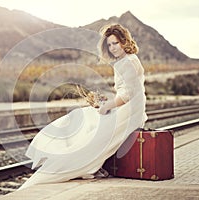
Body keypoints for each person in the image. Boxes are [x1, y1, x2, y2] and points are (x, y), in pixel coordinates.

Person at [18, 24, 147, 190]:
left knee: (87, 125)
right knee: (85, 119)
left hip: (129, 111)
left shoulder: (127, 62)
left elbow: (127, 94)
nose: (112, 48)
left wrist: (107, 106)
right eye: (109, 45)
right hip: (133, 108)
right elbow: (128, 92)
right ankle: (83, 161)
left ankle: (75, 162)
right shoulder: (128, 60)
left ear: (124, 41)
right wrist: (105, 103)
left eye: (115, 43)